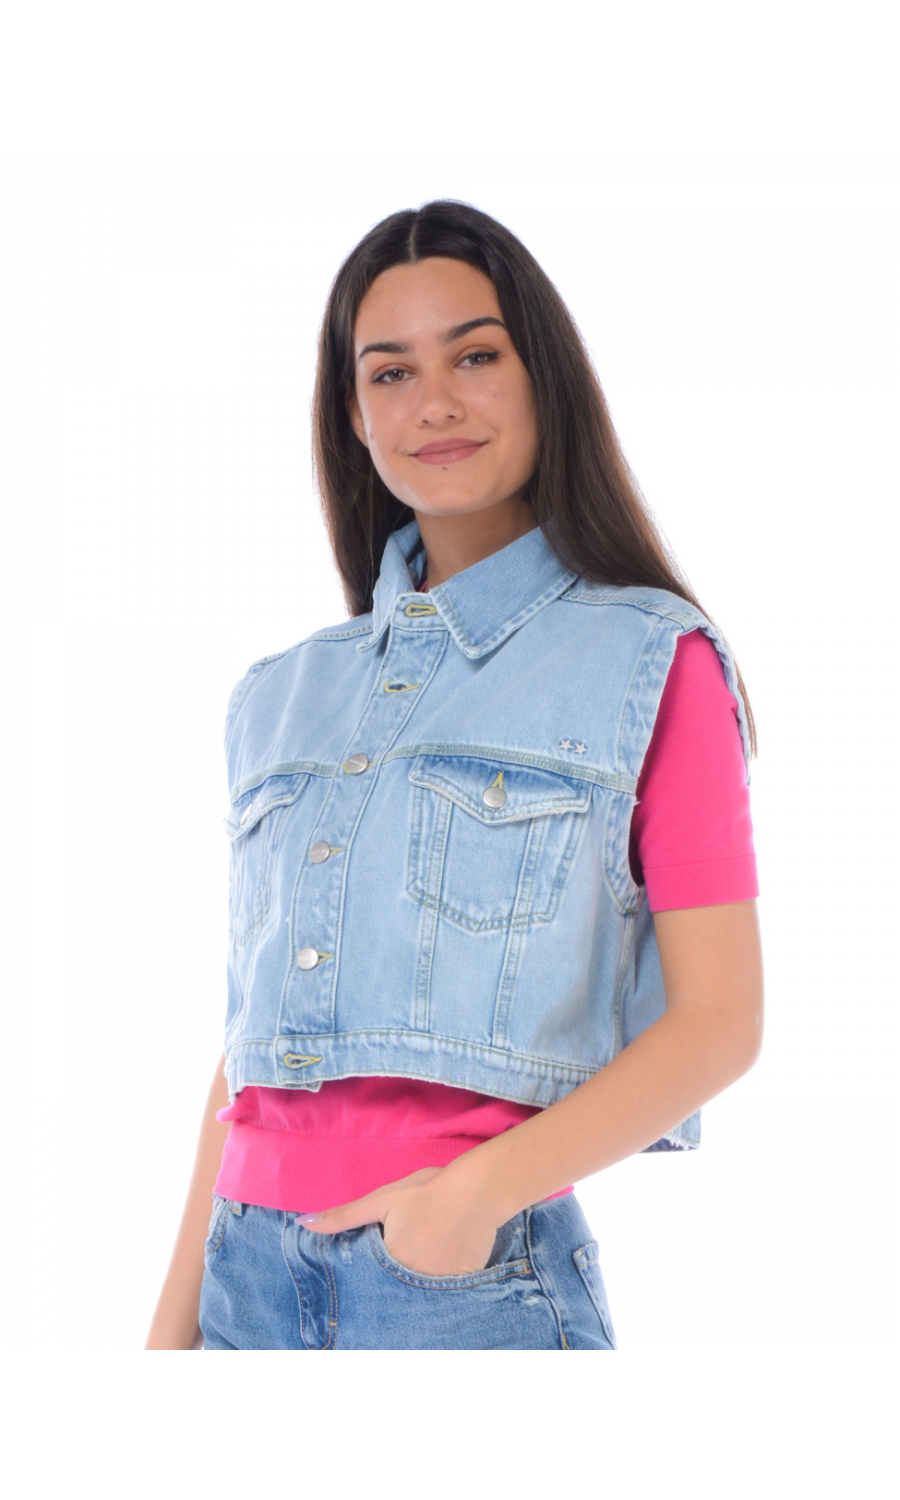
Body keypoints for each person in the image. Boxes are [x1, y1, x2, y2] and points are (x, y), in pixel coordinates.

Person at [145, 200, 763, 1351]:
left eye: (475, 356)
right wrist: (169, 1335)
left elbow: (719, 1022)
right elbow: (248, 1055)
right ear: (354, 414)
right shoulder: (280, 693)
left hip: (457, 1288)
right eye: (391, 373)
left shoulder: (648, 659)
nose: (434, 403)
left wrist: (470, 1200)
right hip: (243, 1284)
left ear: (543, 376)